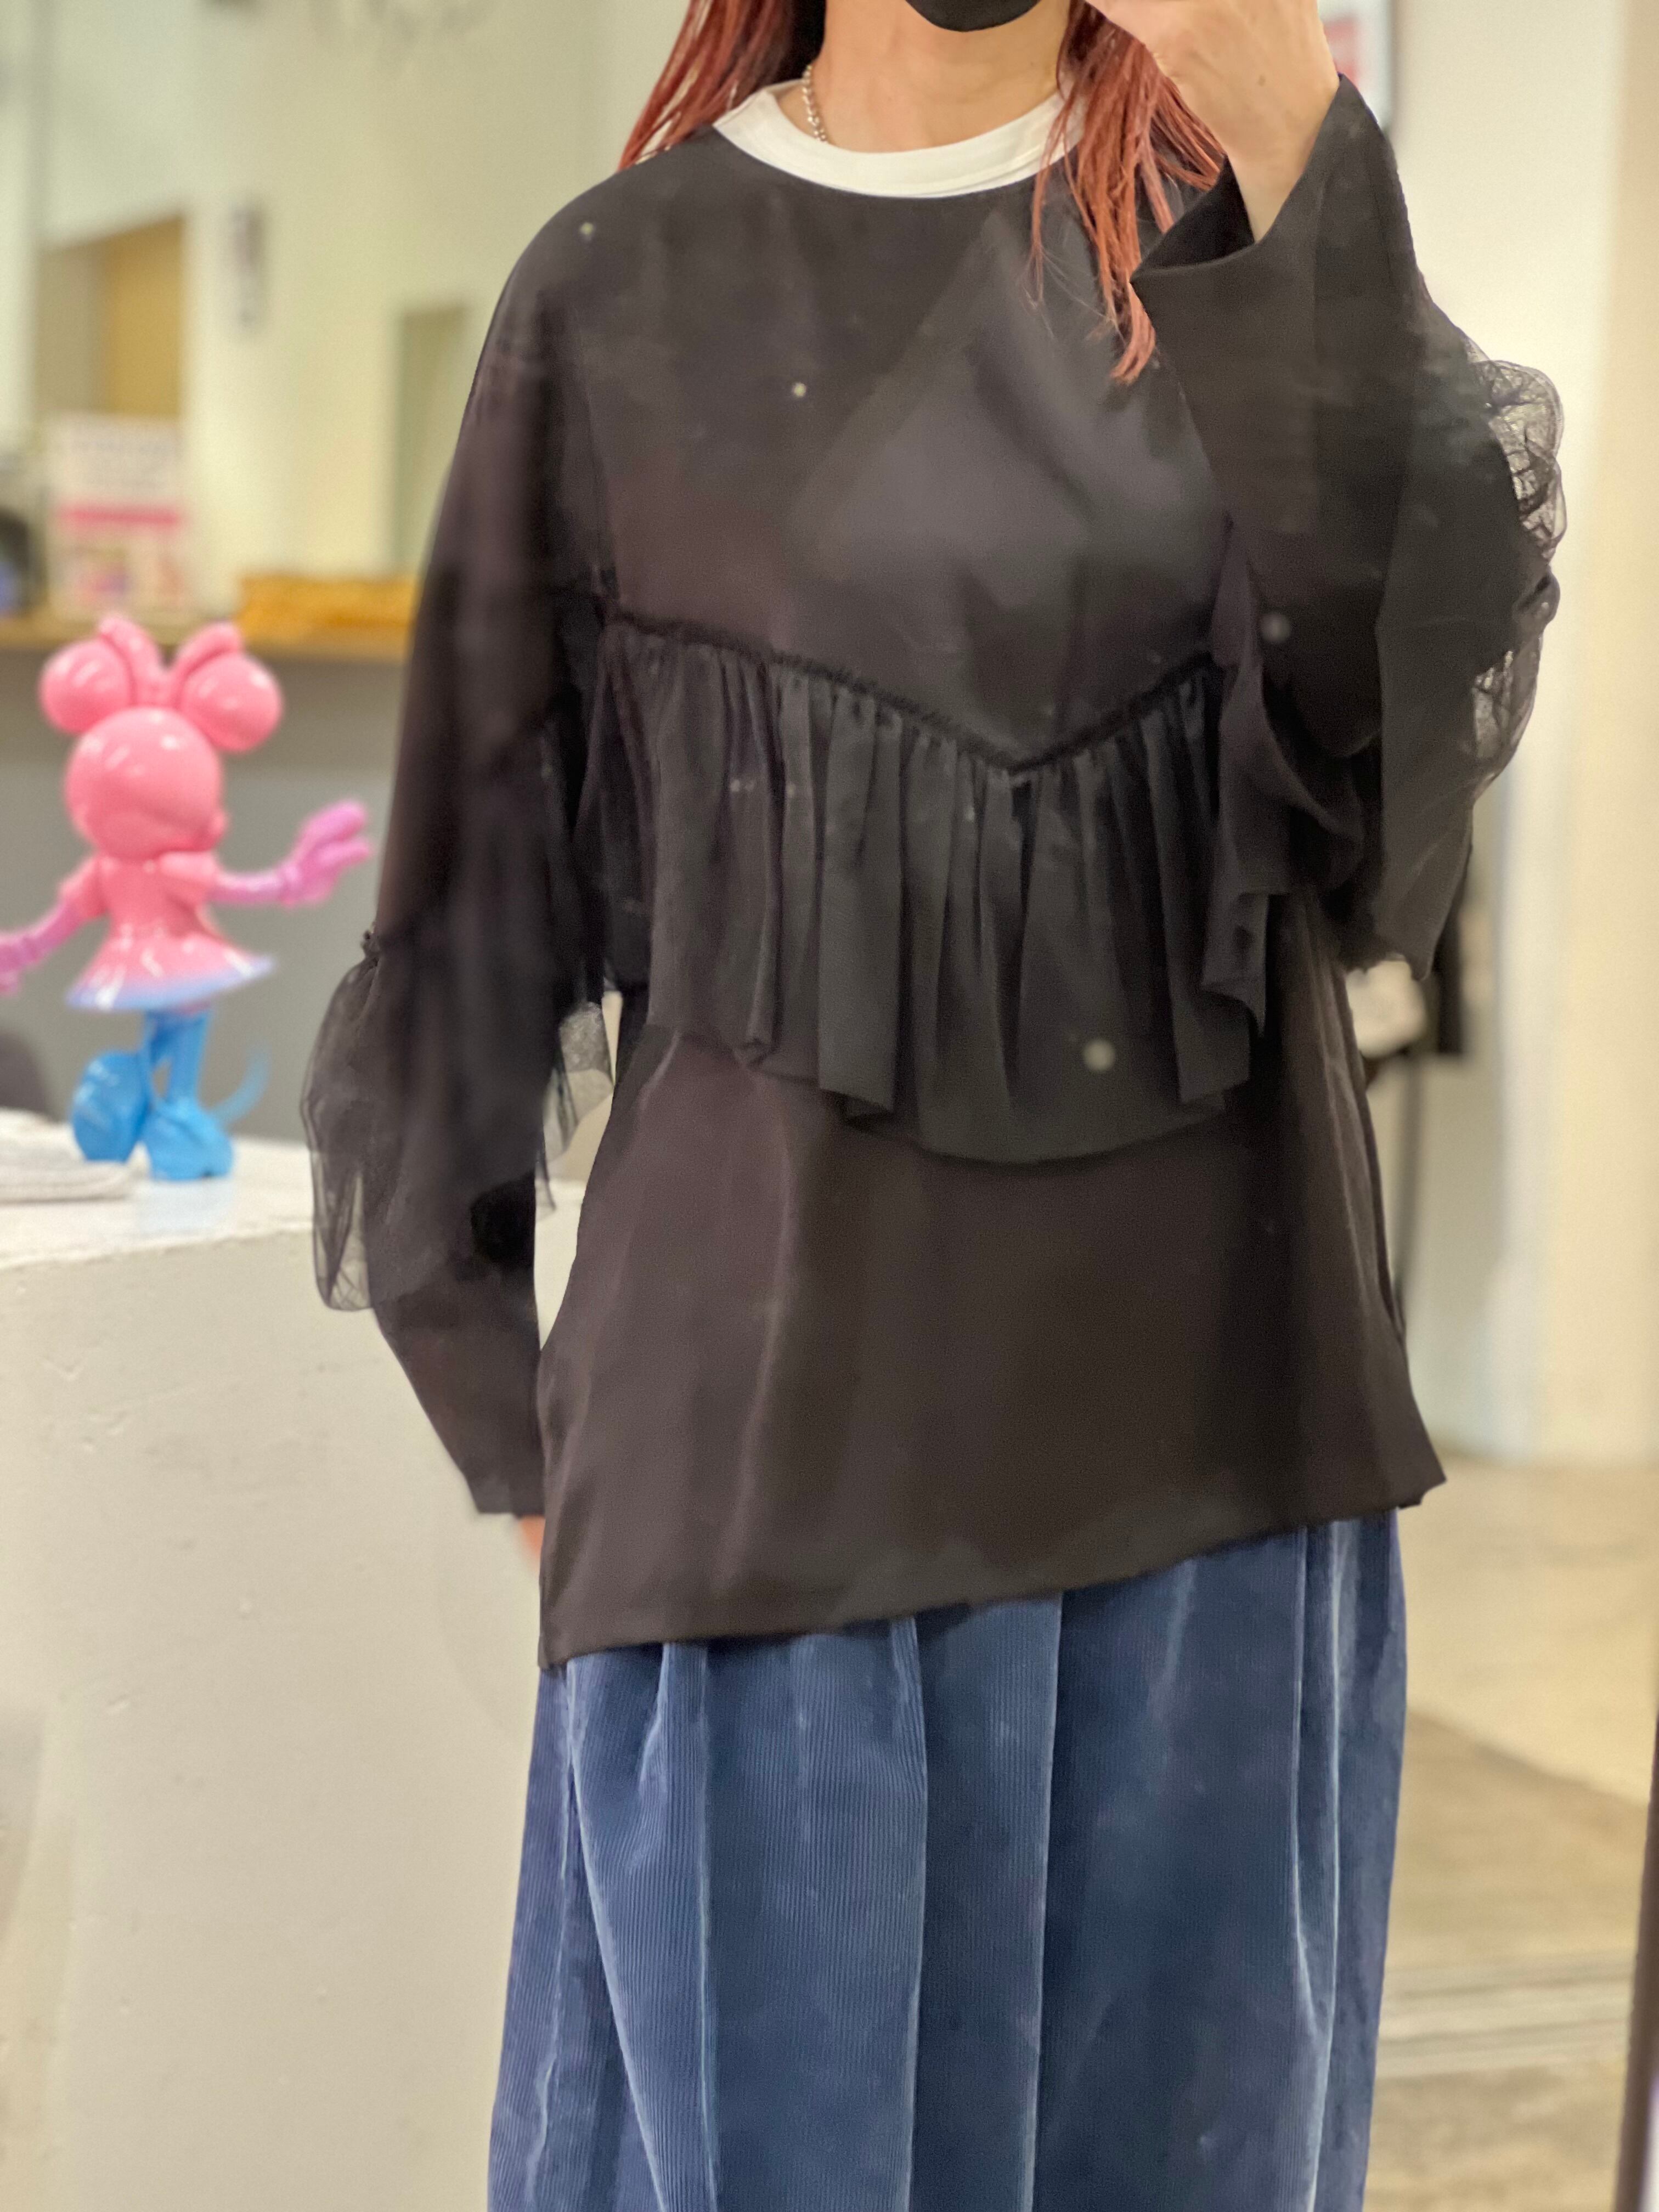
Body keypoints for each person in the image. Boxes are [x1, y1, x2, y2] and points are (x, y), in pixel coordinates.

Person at [303, 1, 1562, 2204]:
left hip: (1215, 1463)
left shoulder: (1233, 232)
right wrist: (529, 1422)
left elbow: (1391, 799)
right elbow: (475, 896)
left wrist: (1289, 126)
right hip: (771, 1479)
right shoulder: (622, 287)